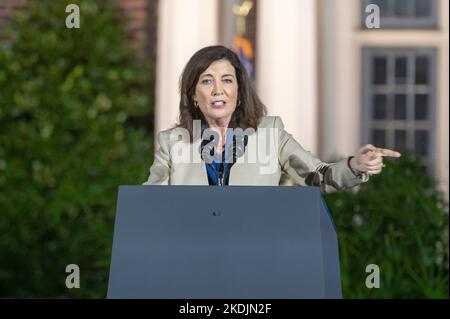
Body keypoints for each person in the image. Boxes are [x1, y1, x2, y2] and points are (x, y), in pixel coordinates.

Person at [143, 45, 401, 193]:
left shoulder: (270, 133)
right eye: (207, 81)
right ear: (194, 95)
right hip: (194, 261)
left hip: (254, 258)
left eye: (227, 80)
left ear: (239, 93)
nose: (218, 90)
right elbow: (151, 201)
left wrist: (356, 165)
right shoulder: (173, 142)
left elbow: (318, 177)